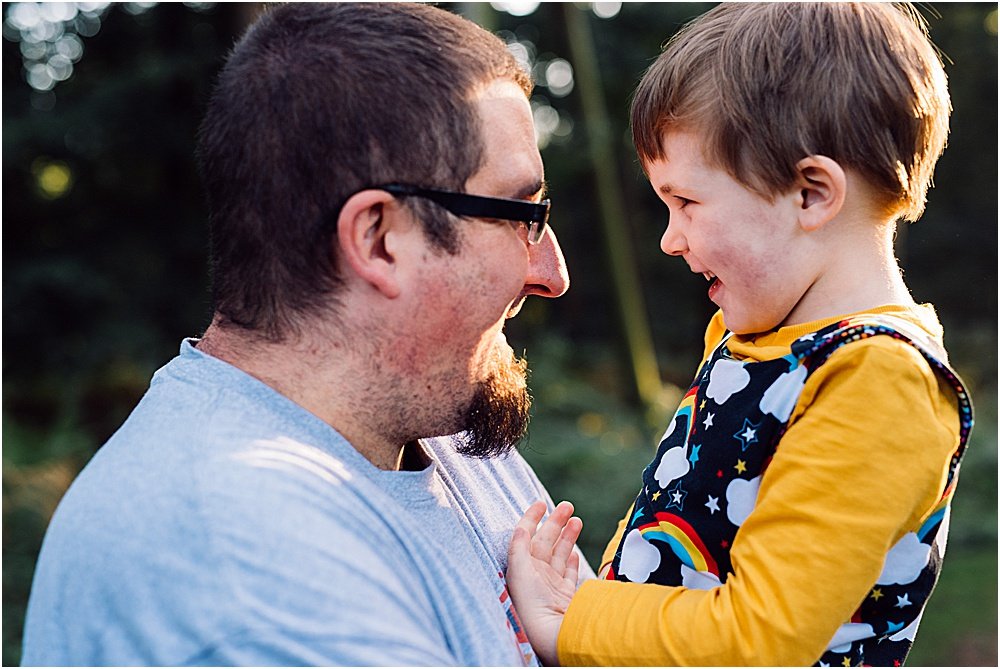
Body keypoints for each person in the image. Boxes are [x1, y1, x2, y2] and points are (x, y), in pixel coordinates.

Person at [21, 3, 594, 665]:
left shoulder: (455, 443)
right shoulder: (236, 557)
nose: (553, 272)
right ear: (379, 240)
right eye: (522, 215)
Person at [506, 3, 975, 666]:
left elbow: (759, 638)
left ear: (811, 194)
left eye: (686, 202)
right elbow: (681, 520)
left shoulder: (880, 380)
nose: (671, 239)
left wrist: (569, 621)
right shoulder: (751, 335)